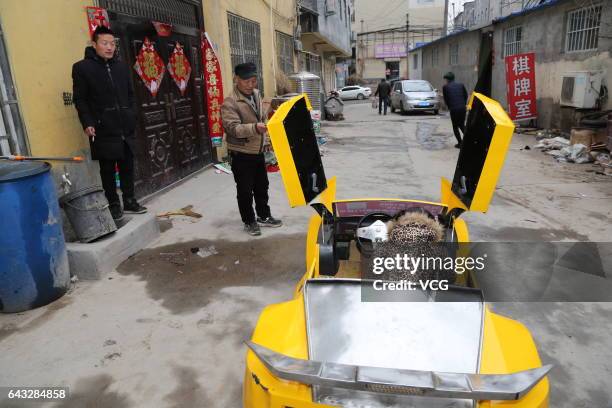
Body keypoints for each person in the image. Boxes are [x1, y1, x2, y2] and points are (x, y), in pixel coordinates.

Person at [72, 25, 146, 220]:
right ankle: (113, 203)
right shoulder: (82, 68)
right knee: (107, 168)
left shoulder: (121, 66)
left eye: (112, 43)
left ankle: (130, 200)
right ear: (94, 44)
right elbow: (80, 98)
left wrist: (131, 114)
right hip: (102, 126)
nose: (109, 47)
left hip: (124, 125)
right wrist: (88, 122)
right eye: (105, 43)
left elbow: (130, 94)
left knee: (127, 165)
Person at [221, 62, 282, 236]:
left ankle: (264, 215)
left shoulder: (256, 94)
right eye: (246, 81)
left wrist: (266, 140)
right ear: (236, 80)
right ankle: (249, 221)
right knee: (245, 191)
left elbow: (263, 119)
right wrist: (255, 128)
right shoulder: (230, 102)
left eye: (253, 81)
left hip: (258, 151)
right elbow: (233, 129)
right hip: (241, 154)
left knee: (262, 186)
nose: (250, 85)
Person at [442, 72, 468, 148]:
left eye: (445, 79)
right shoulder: (461, 85)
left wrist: (450, 107)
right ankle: (470, 140)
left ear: (447, 79)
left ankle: (460, 143)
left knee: (455, 126)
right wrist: (463, 104)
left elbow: (446, 99)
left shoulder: (445, 87)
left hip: (454, 109)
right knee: (462, 125)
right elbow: (466, 96)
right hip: (462, 108)